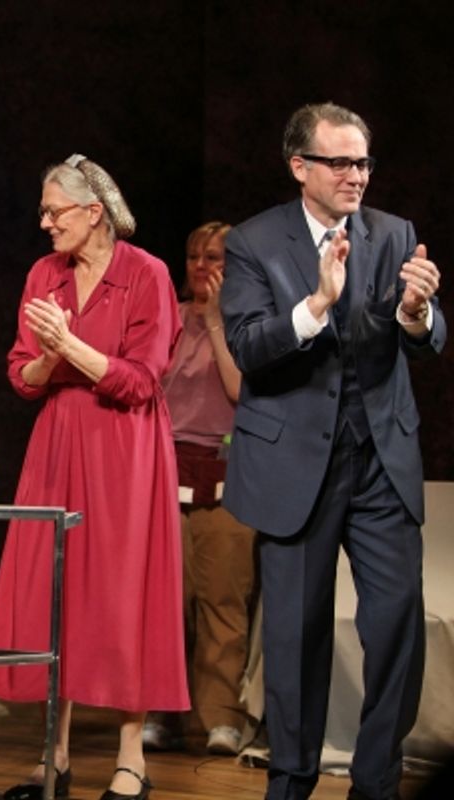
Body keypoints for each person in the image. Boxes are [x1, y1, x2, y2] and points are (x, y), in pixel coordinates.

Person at [220, 102, 446, 800]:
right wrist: (315, 305)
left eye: (364, 162)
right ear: (300, 167)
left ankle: (375, 783)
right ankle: (290, 782)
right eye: (341, 162)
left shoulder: (393, 232)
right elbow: (250, 347)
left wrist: (419, 314)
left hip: (380, 461)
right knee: (294, 641)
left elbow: (424, 334)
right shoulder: (253, 244)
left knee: (397, 628)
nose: (357, 175)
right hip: (296, 468)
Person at [0, 155, 188, 800]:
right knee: (54, 587)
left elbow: (141, 379)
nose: (44, 223)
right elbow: (21, 375)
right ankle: (53, 753)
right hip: (60, 440)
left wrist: (69, 349)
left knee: (124, 594)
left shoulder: (146, 274)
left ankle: (130, 759)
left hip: (125, 446)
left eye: (52, 211)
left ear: (93, 213)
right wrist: (45, 359)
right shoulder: (45, 274)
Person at [144, 222, 256, 756]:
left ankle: (221, 718)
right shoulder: (167, 318)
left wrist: (213, 318)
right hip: (166, 469)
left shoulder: (249, 323)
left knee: (221, 597)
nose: (200, 266)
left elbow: (239, 390)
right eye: (192, 255)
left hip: (226, 470)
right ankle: (162, 714)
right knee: (167, 599)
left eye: (214, 257)